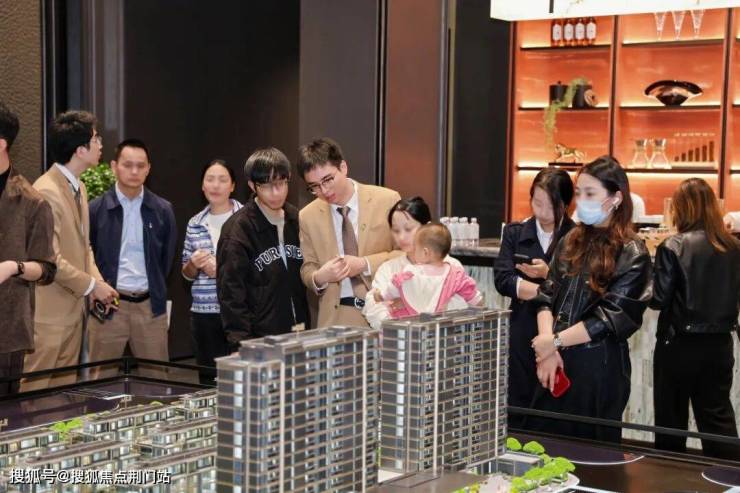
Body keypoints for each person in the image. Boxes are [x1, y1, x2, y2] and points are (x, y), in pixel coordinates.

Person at [529, 156, 652, 442]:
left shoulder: (633, 252)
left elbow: (608, 318)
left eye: (590, 193)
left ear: (615, 198)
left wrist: (553, 342)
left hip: (598, 366)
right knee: (543, 447)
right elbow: (546, 295)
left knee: (591, 452)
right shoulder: (570, 239)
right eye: (579, 192)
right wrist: (547, 347)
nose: (581, 200)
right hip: (554, 359)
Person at [23, 110, 118, 391]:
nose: (101, 144)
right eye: (96, 139)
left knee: (60, 398)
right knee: (32, 398)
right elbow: (49, 257)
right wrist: (92, 286)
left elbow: (83, 246)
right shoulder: (46, 191)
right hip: (49, 318)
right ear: (80, 150)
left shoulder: (80, 187)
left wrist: (97, 282)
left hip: (73, 314)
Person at [650, 178, 740, 460]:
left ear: (680, 208)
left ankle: (669, 477)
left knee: (671, 420)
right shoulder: (733, 246)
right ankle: (729, 477)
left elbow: (658, 300)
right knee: (718, 418)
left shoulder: (673, 246)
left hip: (678, 345)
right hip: (720, 345)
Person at [88, 139, 177, 378]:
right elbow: (87, 255)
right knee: (100, 381)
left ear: (149, 169)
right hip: (108, 305)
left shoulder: (163, 210)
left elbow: (166, 259)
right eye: (128, 165)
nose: (134, 171)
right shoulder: (95, 209)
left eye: (141, 166)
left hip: (150, 307)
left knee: (157, 380)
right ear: (114, 166)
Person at [494, 168, 575, 429]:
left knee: (554, 401)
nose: (542, 212)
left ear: (565, 204)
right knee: (519, 397)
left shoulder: (576, 237)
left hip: (562, 331)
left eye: (550, 206)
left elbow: (579, 286)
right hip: (522, 327)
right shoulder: (515, 232)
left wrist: (547, 276)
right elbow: (503, 279)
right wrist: (545, 290)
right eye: (537, 203)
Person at [298, 137, 401, 328]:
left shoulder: (387, 200)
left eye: (328, 180)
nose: (324, 190)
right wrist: (321, 276)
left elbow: (405, 254)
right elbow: (308, 268)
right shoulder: (307, 216)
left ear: (343, 167)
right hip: (336, 316)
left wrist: (364, 264)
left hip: (385, 310)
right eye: (314, 186)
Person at [217, 148, 310, 343]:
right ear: (252, 185)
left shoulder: (297, 219)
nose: (276, 192)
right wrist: (242, 344)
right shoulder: (238, 231)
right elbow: (231, 296)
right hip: (259, 339)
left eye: (281, 183)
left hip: (301, 332)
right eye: (267, 186)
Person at [0, 102, 56, 395]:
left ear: (2, 144)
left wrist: (13, 267)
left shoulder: (32, 201)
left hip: (6, 330)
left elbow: (46, 269)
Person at [363, 197, 465, 329]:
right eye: (396, 230)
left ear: (427, 227)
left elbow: (462, 306)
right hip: (399, 338)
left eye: (408, 229)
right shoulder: (388, 269)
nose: (401, 237)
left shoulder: (451, 266)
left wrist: (406, 304)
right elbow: (374, 309)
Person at [182, 160, 242, 383]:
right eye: (210, 179)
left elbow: (257, 267)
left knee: (240, 382)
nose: (215, 185)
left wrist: (222, 271)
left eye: (222, 180)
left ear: (232, 186)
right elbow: (186, 274)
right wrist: (193, 264)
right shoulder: (195, 223)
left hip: (240, 313)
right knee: (208, 381)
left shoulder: (246, 218)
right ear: (202, 185)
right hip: (204, 315)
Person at [373, 222, 483, 316]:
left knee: (396, 315)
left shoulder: (411, 273)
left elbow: (393, 288)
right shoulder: (455, 275)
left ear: (425, 252)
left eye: (416, 248)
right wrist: (478, 303)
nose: (414, 251)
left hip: (414, 323)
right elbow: (474, 297)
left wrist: (381, 295)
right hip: (440, 326)